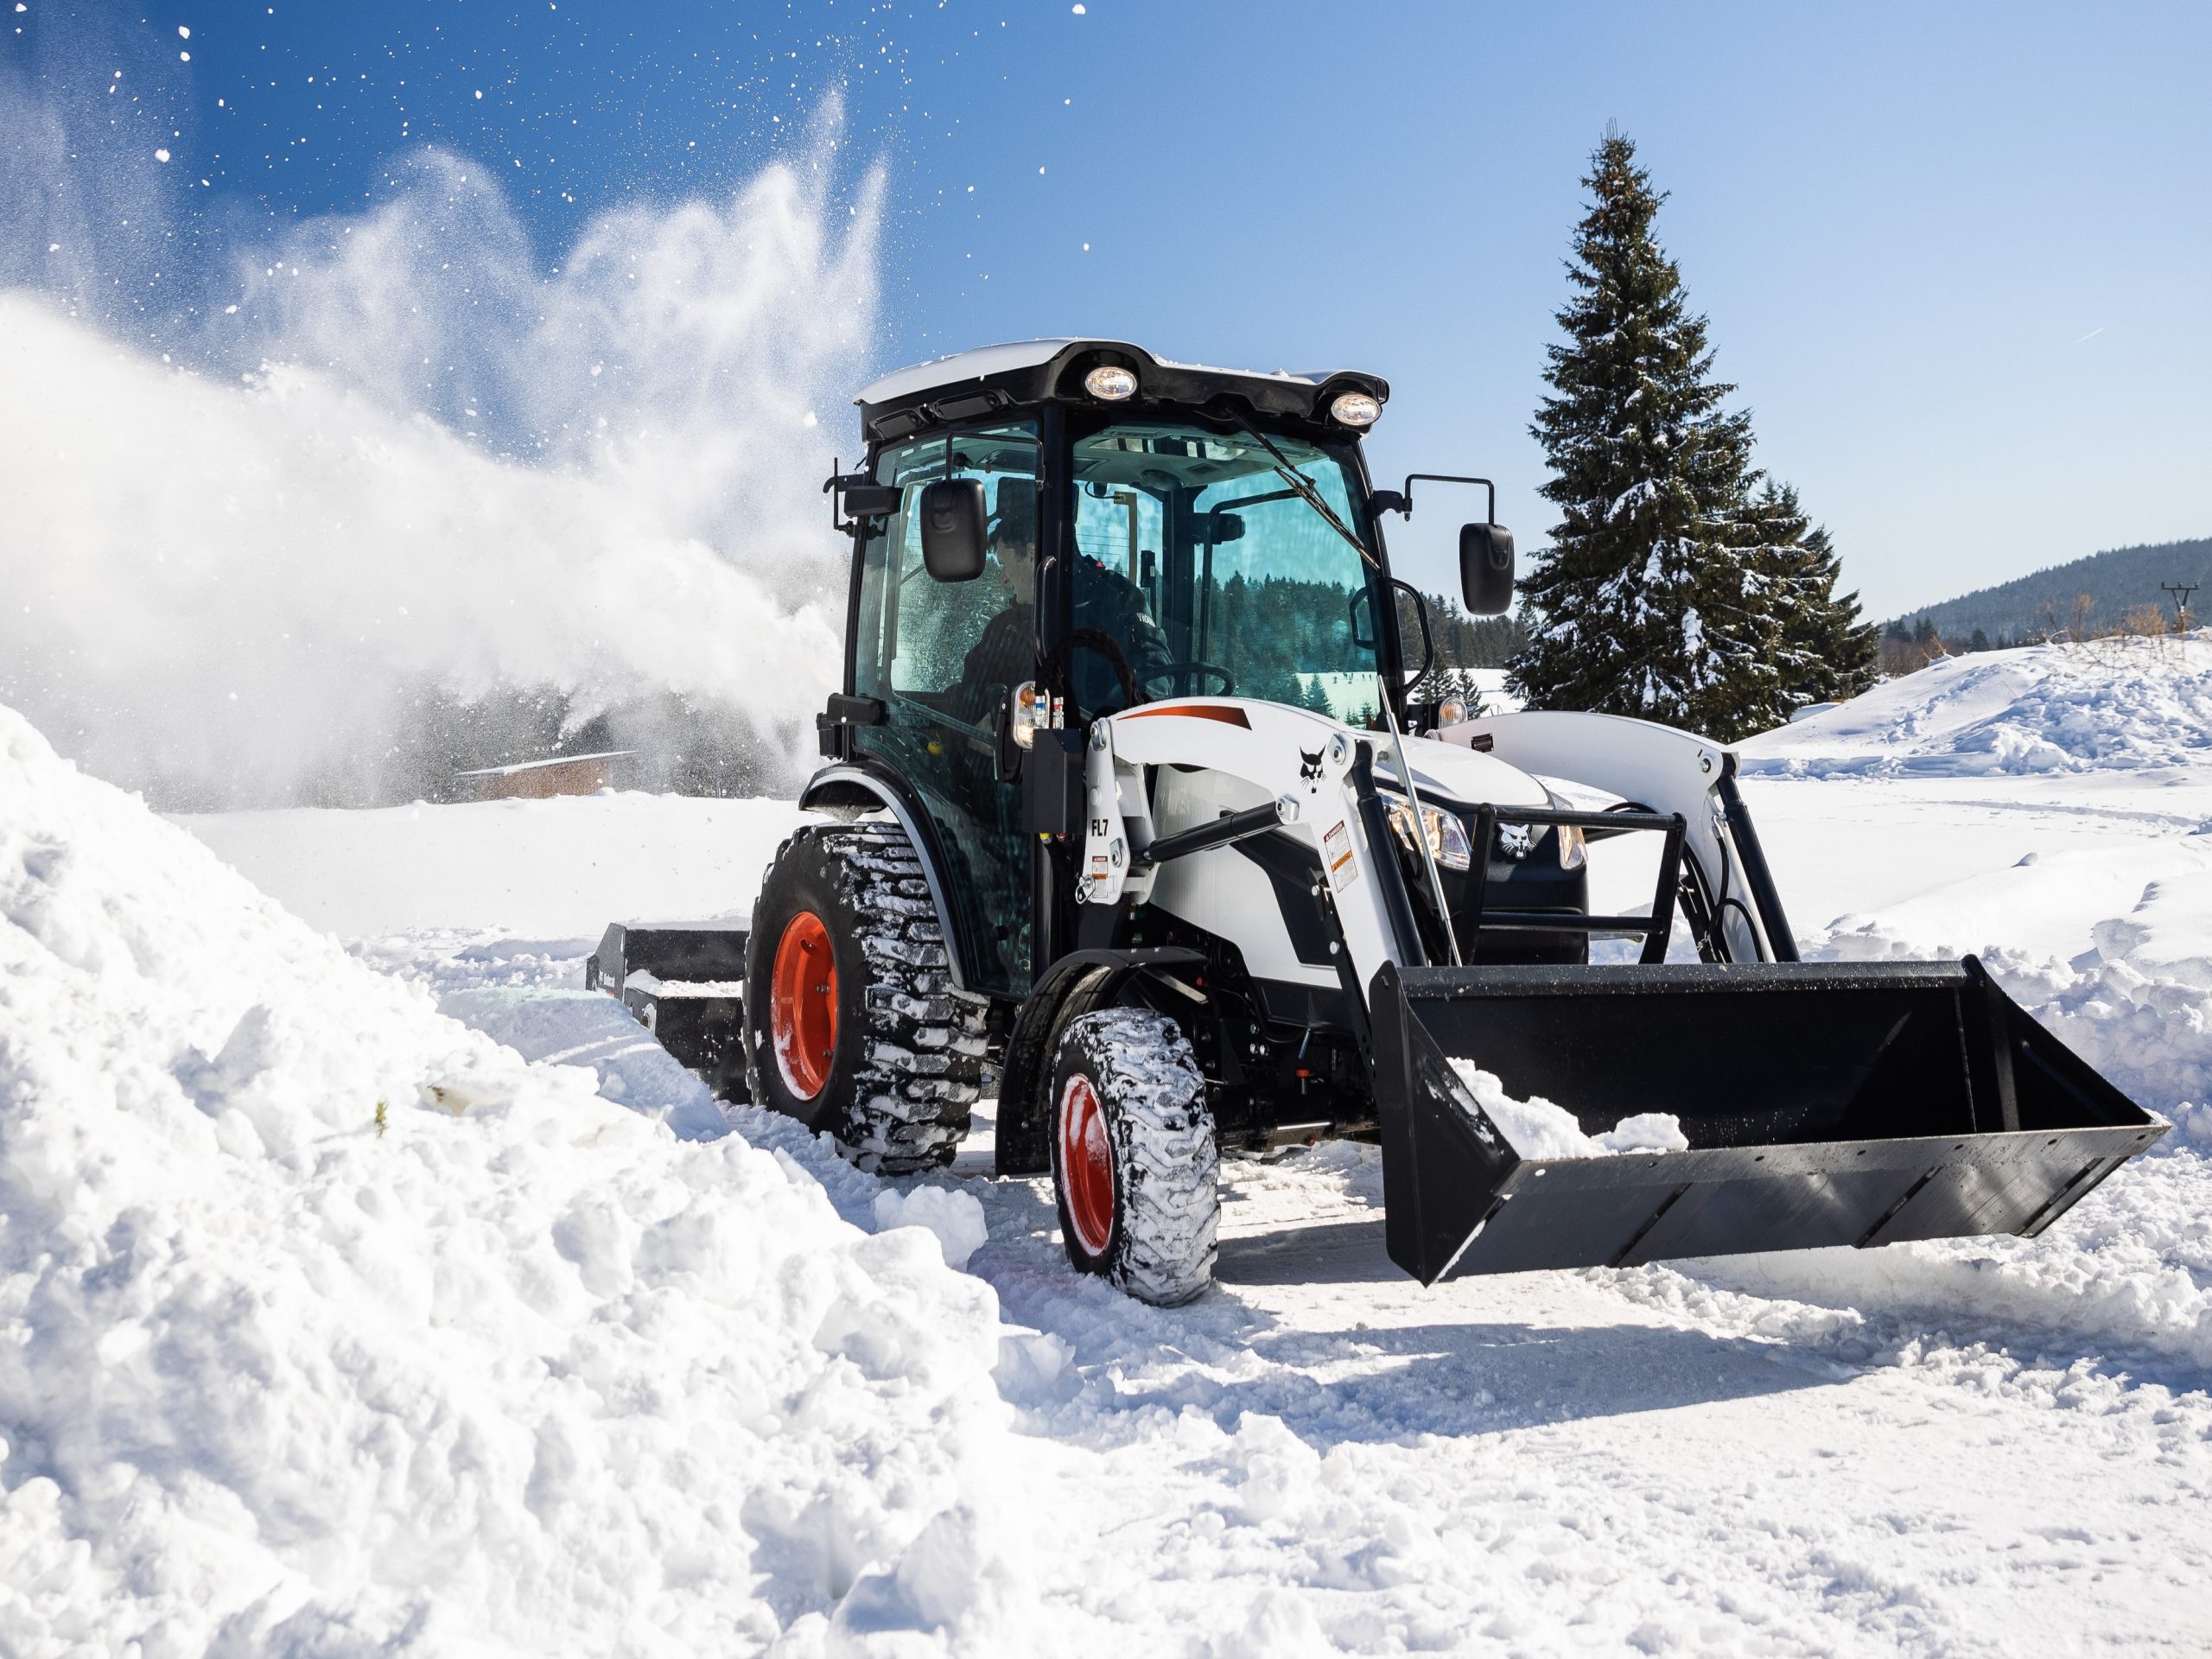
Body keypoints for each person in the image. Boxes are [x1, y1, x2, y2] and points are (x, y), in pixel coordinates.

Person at [955, 480, 1174, 720]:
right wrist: (975, 728)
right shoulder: (1004, 629)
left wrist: (1101, 729)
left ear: (1031, 554)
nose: (1003, 580)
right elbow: (968, 698)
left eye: (1005, 564)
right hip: (1014, 757)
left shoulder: (1116, 603)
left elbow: (1151, 682)